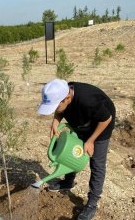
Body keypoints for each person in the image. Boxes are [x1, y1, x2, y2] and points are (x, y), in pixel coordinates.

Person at [37, 79, 115, 220]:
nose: (54, 110)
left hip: (101, 124)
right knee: (72, 150)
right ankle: (68, 182)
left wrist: (90, 141)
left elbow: (106, 119)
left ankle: (92, 204)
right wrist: (55, 122)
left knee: (97, 164)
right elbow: (59, 111)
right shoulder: (63, 92)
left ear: (67, 98)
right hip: (82, 121)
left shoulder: (88, 100)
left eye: (55, 106)